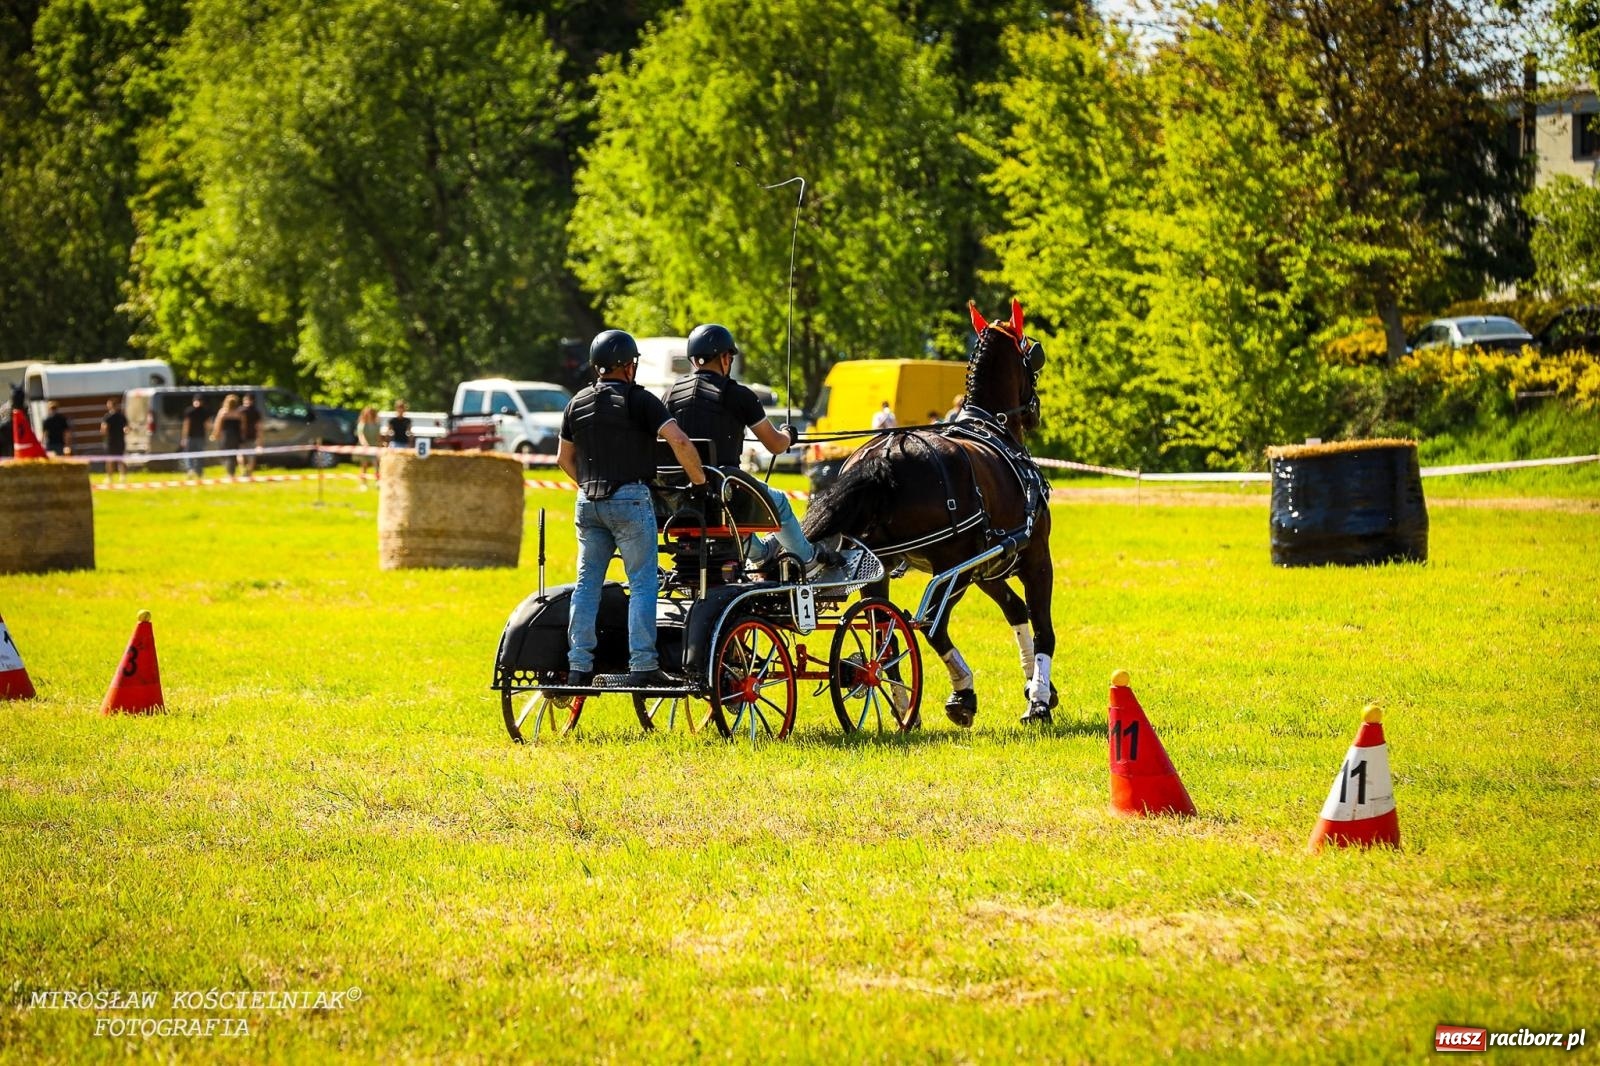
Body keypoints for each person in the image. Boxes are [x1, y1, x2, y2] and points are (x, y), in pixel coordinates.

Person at [558, 329, 708, 689]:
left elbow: (564, 459)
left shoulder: (575, 403)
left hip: (588, 503)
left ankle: (579, 665)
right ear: (627, 366)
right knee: (643, 584)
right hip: (630, 499)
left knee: (586, 585)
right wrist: (700, 482)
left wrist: (589, 488)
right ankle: (643, 664)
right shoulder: (640, 400)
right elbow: (679, 440)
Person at [666, 323, 838, 578]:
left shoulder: (670, 394)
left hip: (679, 498)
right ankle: (808, 559)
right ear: (724, 358)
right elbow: (775, 445)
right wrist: (789, 435)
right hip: (723, 491)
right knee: (778, 501)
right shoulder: (738, 395)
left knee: (738, 516)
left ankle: (762, 555)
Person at [211, 393, 243, 478]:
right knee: (233, 455)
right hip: (236, 436)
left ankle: (230, 473)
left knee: (225, 454)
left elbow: (217, 425)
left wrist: (215, 435)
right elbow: (242, 425)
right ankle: (232, 472)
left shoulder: (223, 412)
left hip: (226, 436)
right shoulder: (239, 412)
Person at [100, 398, 129, 484]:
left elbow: (103, 429)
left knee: (109, 461)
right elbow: (126, 429)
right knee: (121, 459)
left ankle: (109, 478)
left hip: (110, 441)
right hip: (120, 441)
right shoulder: (122, 416)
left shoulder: (107, 417)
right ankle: (123, 477)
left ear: (110, 405)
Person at [181, 396, 209, 480]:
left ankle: (190, 469)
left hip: (191, 437)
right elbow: (207, 425)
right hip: (200, 437)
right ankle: (199, 473)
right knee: (199, 456)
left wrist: (184, 437)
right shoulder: (204, 411)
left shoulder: (189, 411)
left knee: (188, 455)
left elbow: (186, 425)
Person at [355, 406, 381, 487]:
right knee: (364, 465)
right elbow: (360, 435)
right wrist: (365, 444)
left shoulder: (377, 424)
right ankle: (363, 483)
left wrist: (380, 444)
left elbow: (378, 436)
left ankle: (378, 482)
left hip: (374, 446)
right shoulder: (362, 424)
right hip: (365, 448)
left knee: (376, 465)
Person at [238, 395, 262, 479]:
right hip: (252, 436)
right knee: (251, 456)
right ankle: (249, 473)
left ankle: (243, 472)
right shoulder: (256, 411)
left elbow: (240, 425)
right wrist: (260, 439)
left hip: (242, 436)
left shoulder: (240, 410)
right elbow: (259, 426)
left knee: (240, 454)